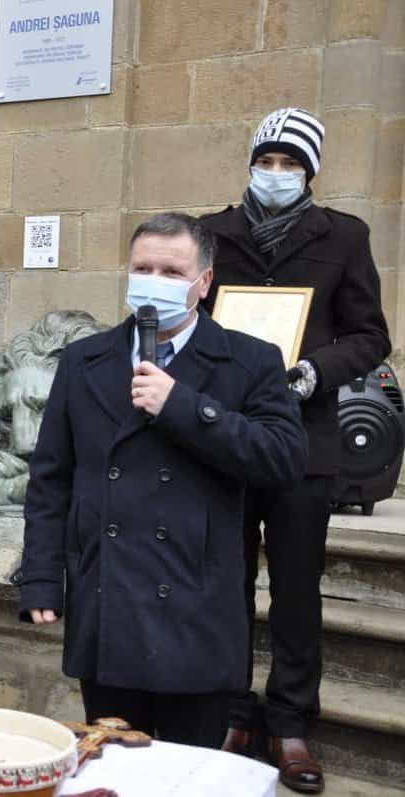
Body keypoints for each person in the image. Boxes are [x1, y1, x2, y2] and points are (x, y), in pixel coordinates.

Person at [17, 213, 308, 749]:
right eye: (143, 267)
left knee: (185, 771)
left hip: (195, 608)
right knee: (111, 761)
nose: (155, 280)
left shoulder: (250, 360)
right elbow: (50, 479)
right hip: (109, 603)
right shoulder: (84, 361)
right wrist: (39, 576)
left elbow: (284, 457)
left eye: (172, 271)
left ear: (204, 282)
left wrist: (183, 407)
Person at [200, 108, 391, 792]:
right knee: (221, 583)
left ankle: (289, 724)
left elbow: (371, 335)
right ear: (250, 163)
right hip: (223, 436)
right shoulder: (212, 234)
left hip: (304, 442)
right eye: (267, 161)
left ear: (310, 171)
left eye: (291, 164)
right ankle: (226, 712)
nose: (276, 174)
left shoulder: (343, 235)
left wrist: (315, 370)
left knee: (296, 591)